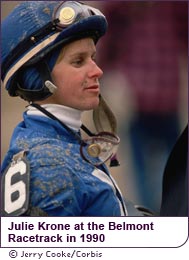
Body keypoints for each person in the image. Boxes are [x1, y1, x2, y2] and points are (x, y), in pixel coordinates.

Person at [1, 1, 130, 217]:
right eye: (79, 61)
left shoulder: (57, 142)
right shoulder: (49, 166)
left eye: (93, 58)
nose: (97, 70)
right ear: (38, 78)